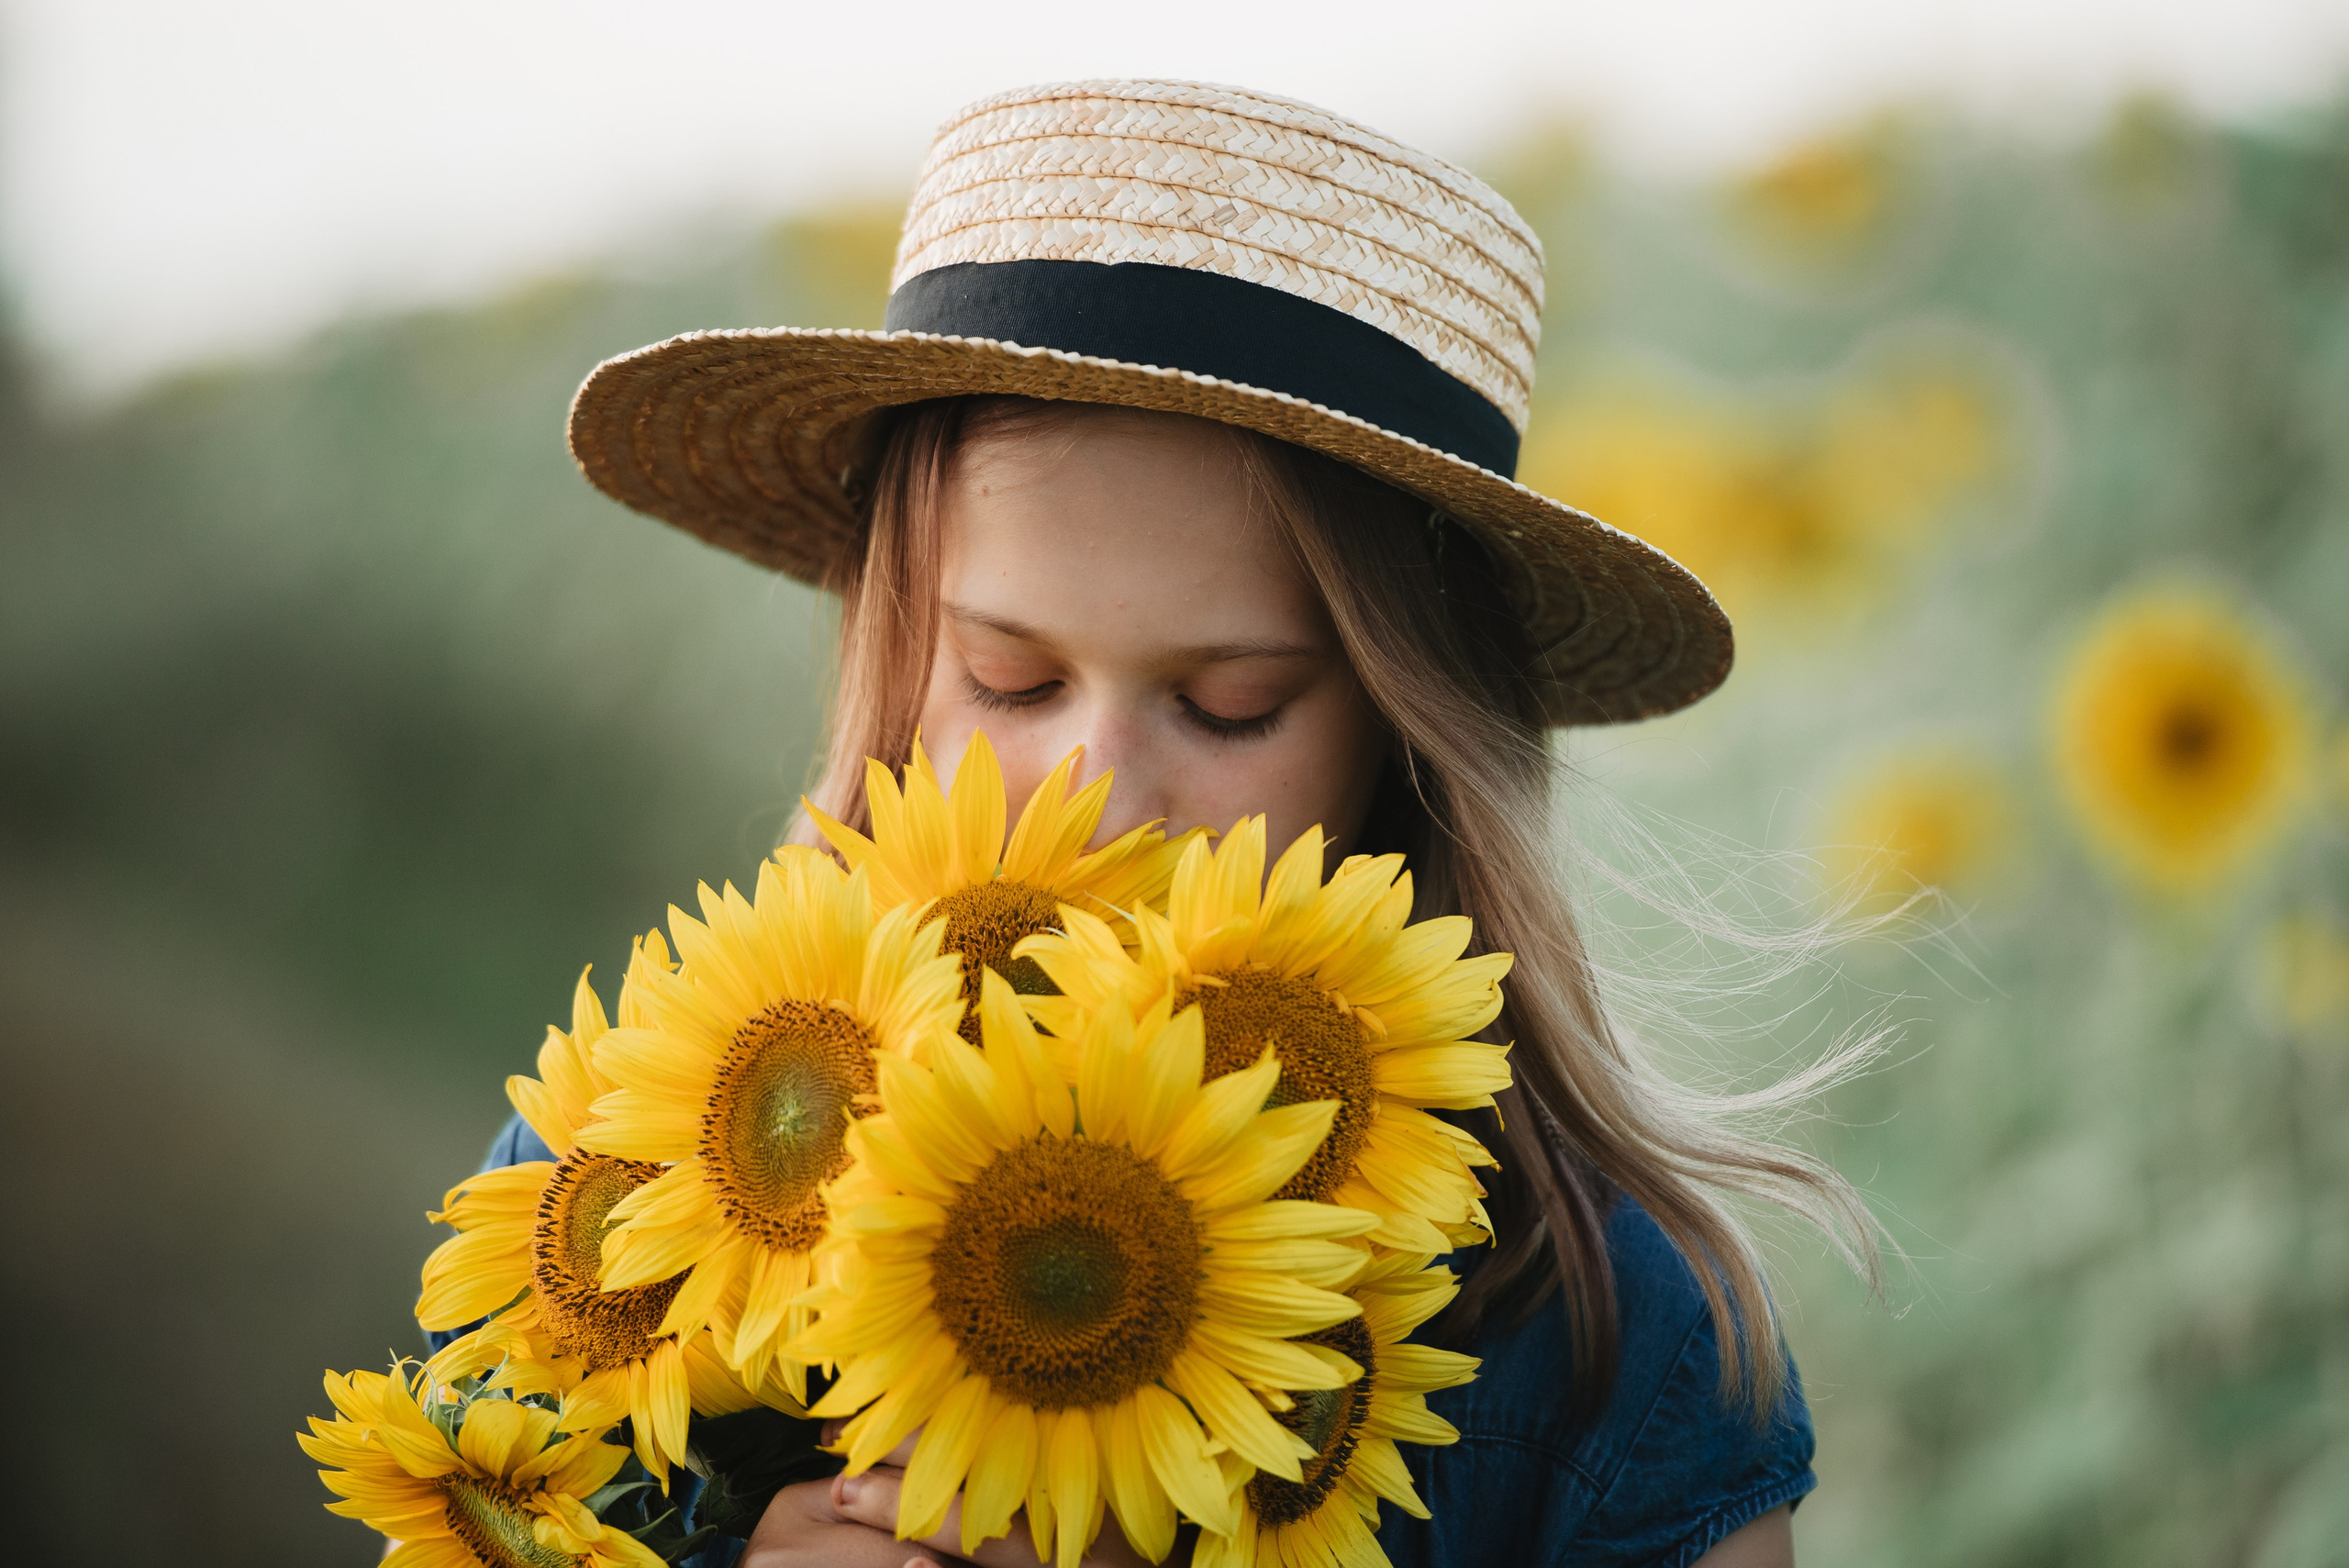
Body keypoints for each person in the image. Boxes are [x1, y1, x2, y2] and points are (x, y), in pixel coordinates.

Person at [468, 79, 1879, 1568]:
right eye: (1009, 677)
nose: (1092, 790)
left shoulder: (1616, 1349)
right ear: (890, 648)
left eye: (1227, 704)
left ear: (1407, 732)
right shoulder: (614, 1187)